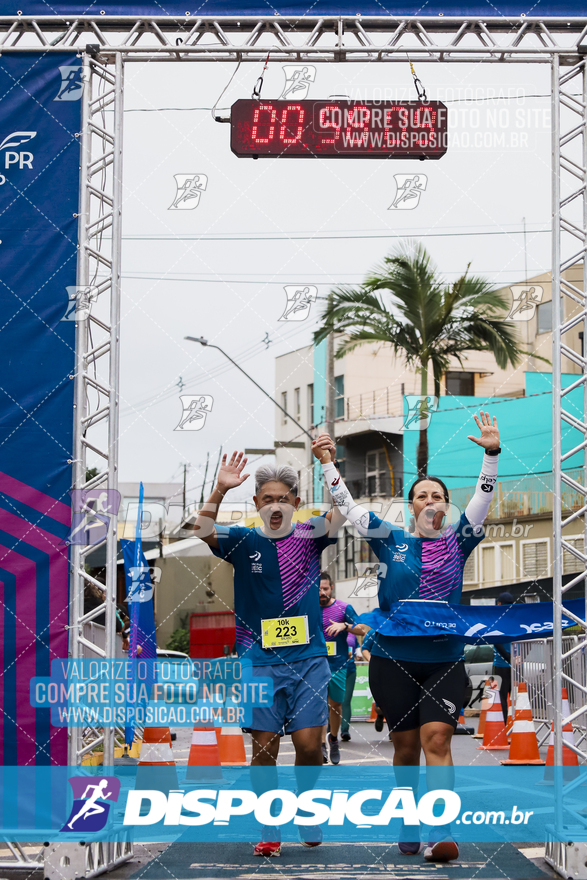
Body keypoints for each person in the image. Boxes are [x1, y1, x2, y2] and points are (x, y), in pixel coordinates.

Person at [313, 412, 501, 864]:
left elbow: (482, 499)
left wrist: (491, 455)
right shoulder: (389, 538)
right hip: (392, 659)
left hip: (444, 658)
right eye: (422, 495)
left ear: (447, 505)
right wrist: (327, 463)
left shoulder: (461, 539)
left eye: (438, 495)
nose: (430, 500)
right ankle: (409, 817)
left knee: (437, 739)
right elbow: (351, 505)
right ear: (411, 505)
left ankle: (441, 831)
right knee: (407, 746)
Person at [193, 453, 344, 857]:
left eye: (282, 497)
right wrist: (222, 487)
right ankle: (269, 823)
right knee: (264, 747)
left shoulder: (312, 536)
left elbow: (344, 511)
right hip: (258, 660)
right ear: (257, 504)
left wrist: (329, 464)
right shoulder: (245, 541)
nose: (274, 505)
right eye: (266, 498)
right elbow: (201, 528)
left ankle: (308, 808)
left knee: (310, 746)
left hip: (309, 659)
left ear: (294, 502)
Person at [318, 572, 368, 763]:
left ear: (331, 588)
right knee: (320, 705)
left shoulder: (343, 607)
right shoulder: (309, 607)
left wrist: (344, 626)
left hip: (338, 664)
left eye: (325, 588)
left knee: (336, 705)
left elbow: (362, 628)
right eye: (318, 589)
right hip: (315, 664)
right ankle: (321, 744)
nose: (322, 592)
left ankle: (333, 739)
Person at [493, 591, 514, 722]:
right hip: (516, 665)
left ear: (499, 603)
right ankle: (519, 727)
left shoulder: (497, 619)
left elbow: (496, 642)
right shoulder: (515, 619)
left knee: (501, 697)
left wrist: (508, 658)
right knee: (517, 697)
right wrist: (519, 658)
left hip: (501, 665)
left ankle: (503, 727)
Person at [340, 632, 359, 742]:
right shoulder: (329, 629)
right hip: (333, 668)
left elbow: (357, 648)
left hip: (349, 670)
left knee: (346, 701)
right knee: (329, 701)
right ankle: (329, 729)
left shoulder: (353, 633)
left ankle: (345, 731)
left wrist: (359, 653)